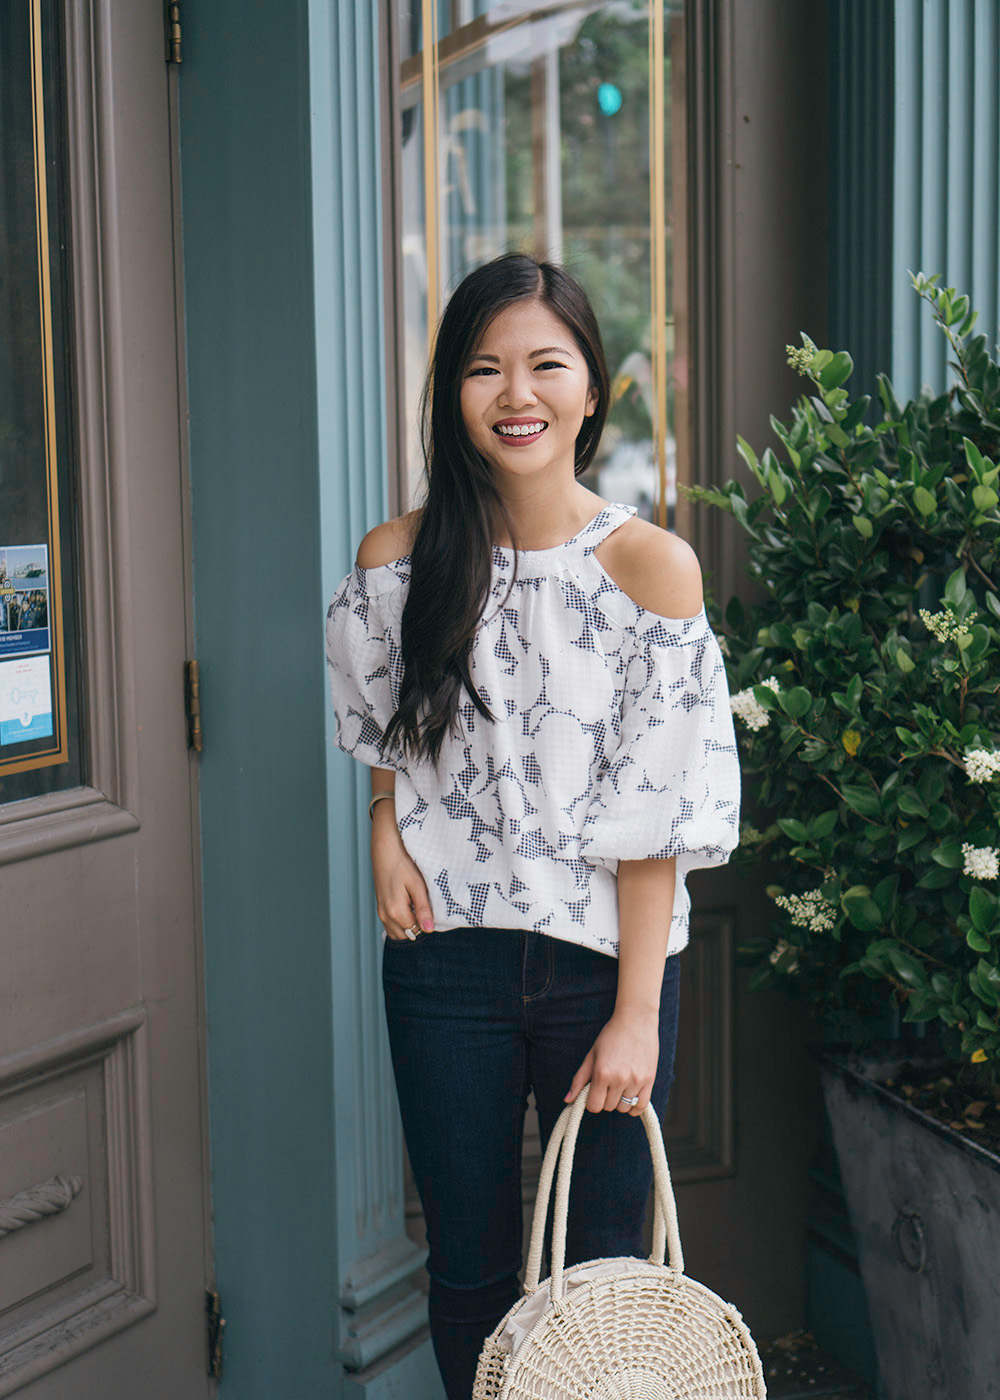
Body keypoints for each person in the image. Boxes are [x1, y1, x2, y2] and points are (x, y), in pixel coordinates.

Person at [325, 252, 741, 1399]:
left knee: (596, 1280)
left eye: (545, 364)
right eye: (483, 367)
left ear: (591, 388)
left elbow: (655, 817)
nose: (517, 392)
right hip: (441, 964)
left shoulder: (650, 570)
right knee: (464, 1270)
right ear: (452, 396)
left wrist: (638, 1016)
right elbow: (385, 737)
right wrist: (380, 824)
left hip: (597, 971)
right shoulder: (398, 562)